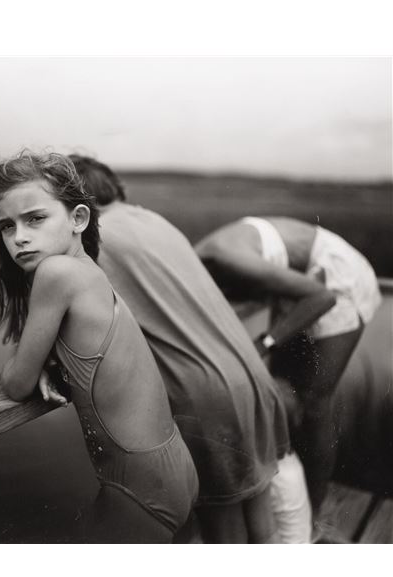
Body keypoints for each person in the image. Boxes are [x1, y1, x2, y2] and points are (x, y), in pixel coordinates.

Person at [0, 151, 198, 543]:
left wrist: (31, 363)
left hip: (140, 485)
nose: (19, 237)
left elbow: (15, 385)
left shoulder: (56, 273)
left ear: (78, 218)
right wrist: (44, 358)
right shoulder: (89, 271)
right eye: (7, 226)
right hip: (169, 466)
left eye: (36, 218)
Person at [69, 155, 292, 543]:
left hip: (203, 394)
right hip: (252, 377)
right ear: (116, 188)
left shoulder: (91, 239)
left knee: (223, 540)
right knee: (261, 529)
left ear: (76, 205)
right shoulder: (157, 221)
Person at [195, 217, 382, 515]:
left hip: (336, 277)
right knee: (278, 393)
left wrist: (265, 342)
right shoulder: (197, 263)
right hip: (300, 283)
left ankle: (314, 518)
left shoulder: (225, 256)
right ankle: (283, 502)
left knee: (315, 404)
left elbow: (322, 297)